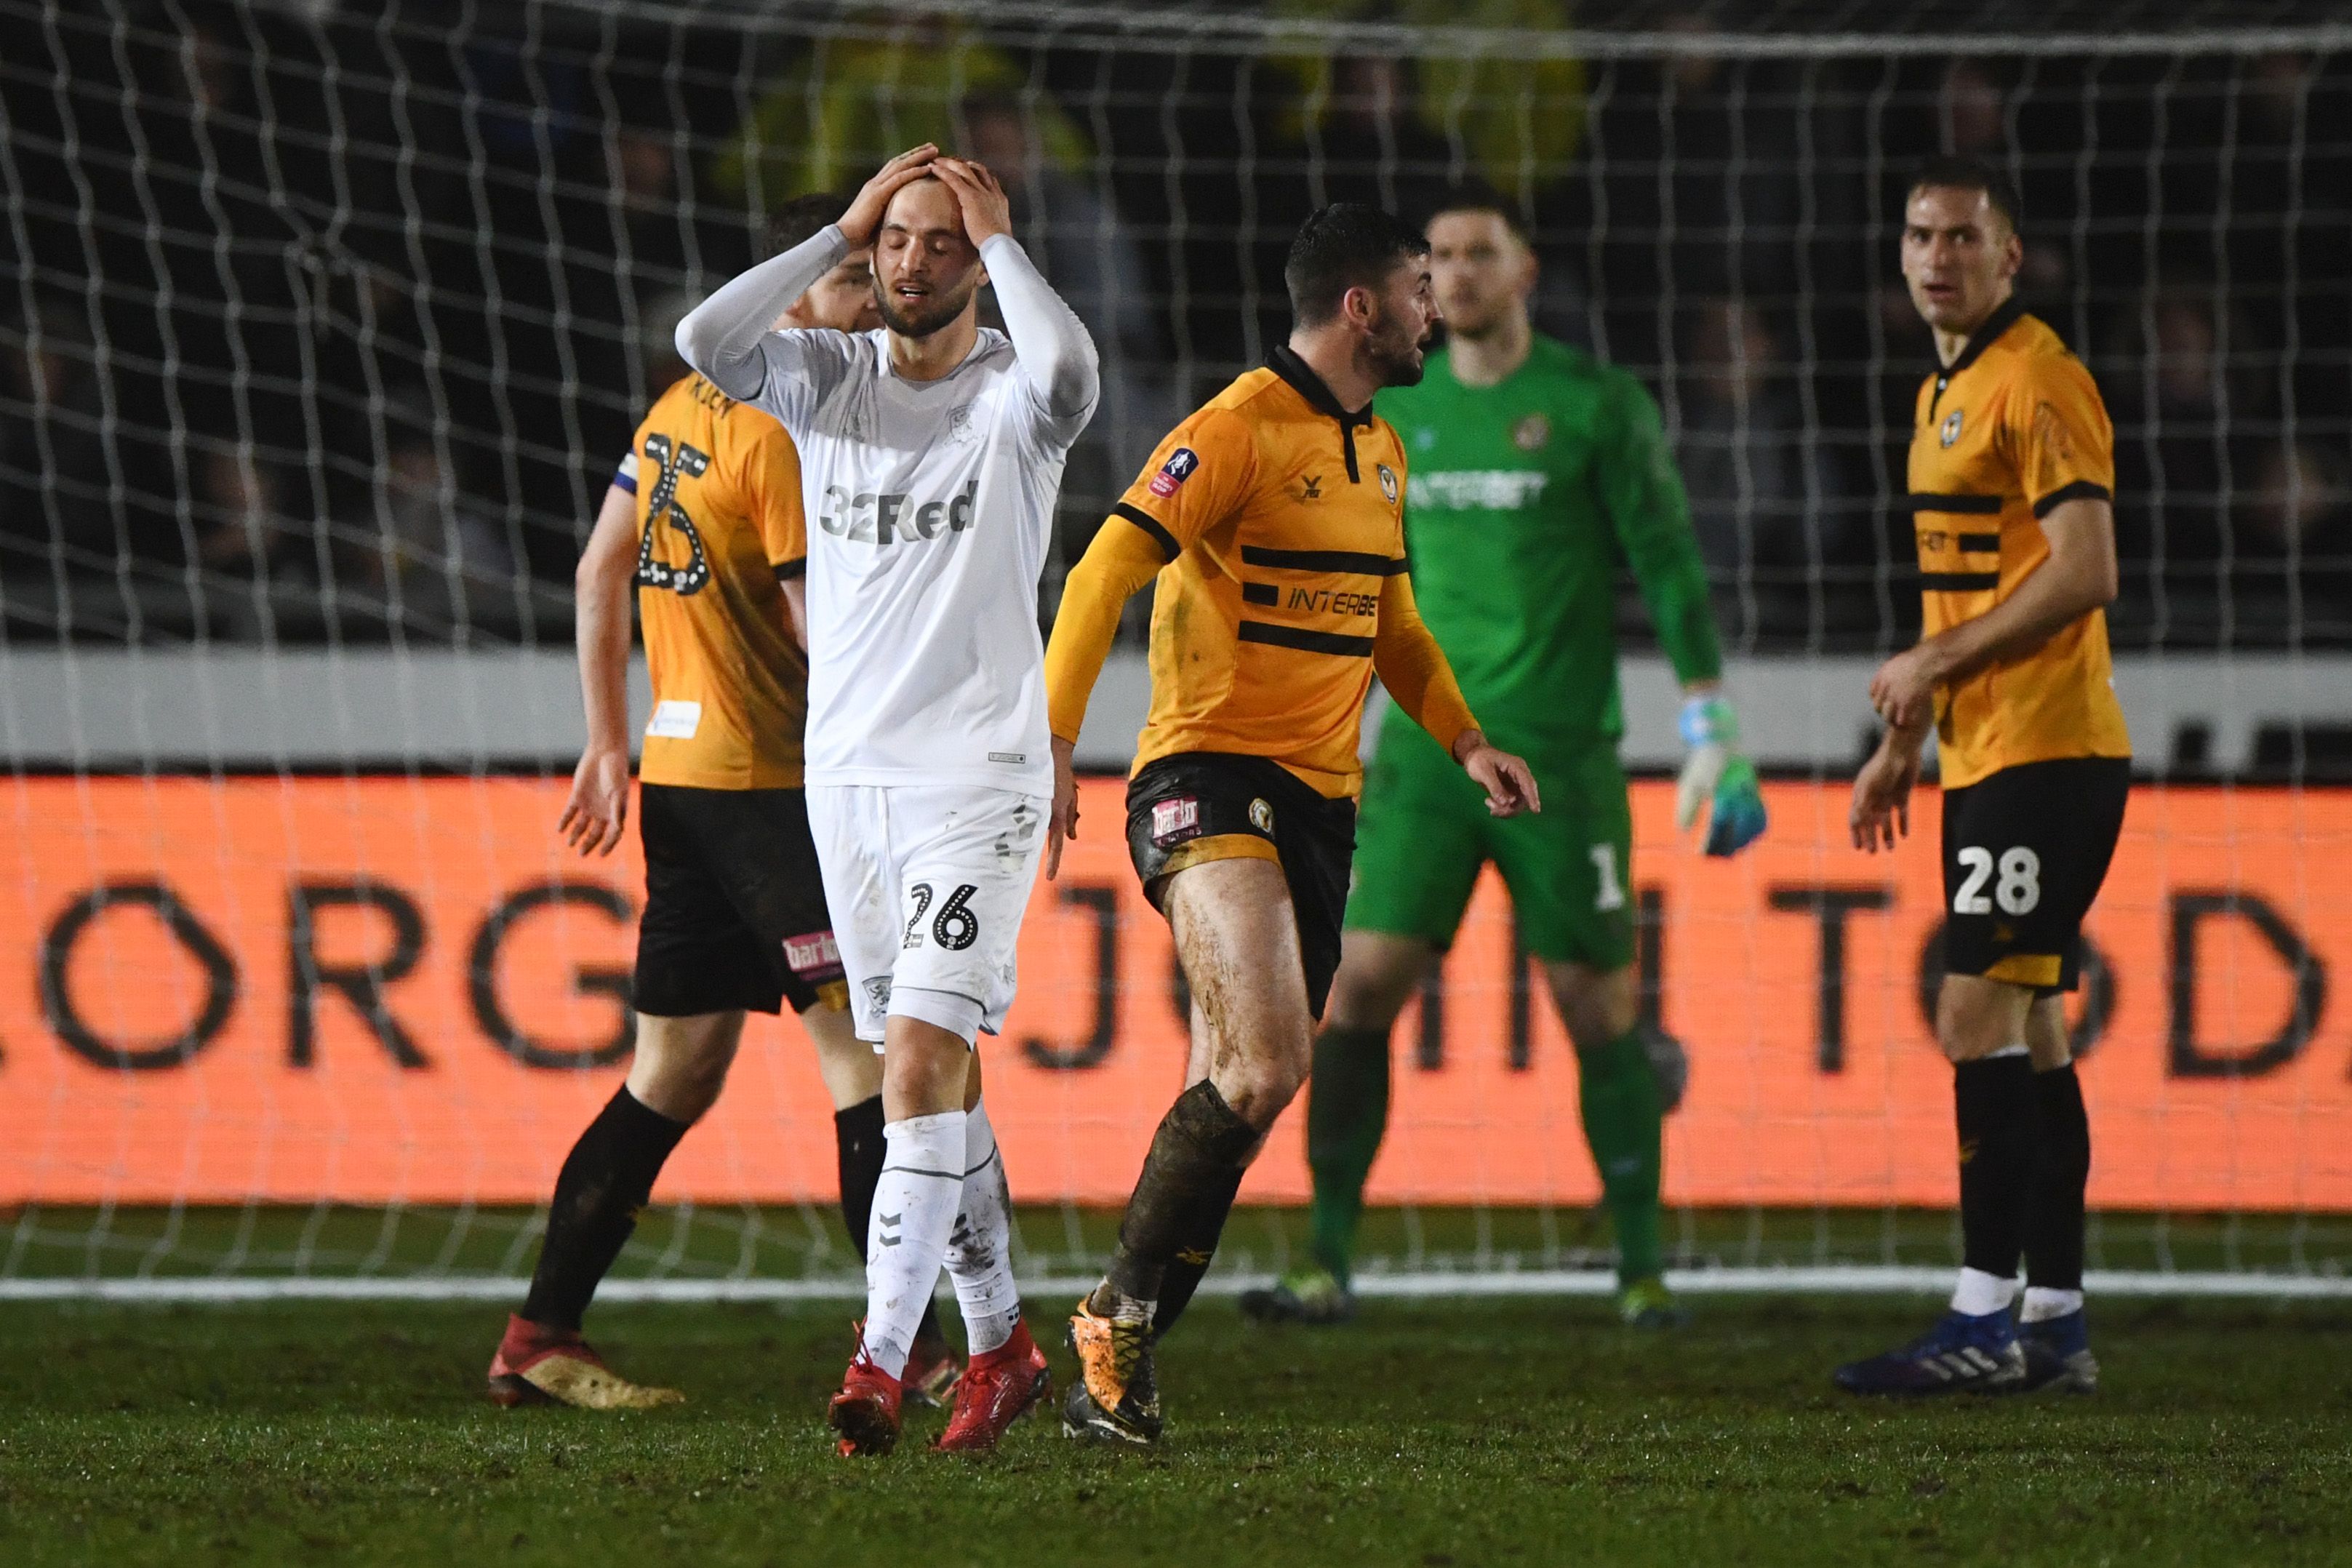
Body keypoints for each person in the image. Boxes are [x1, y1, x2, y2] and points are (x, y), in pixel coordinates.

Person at [1041, 203, 1540, 1446]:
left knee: (1246, 1087)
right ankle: (1110, 1331)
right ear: (1362, 308)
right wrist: (1051, 749)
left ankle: (1118, 1334)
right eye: (1420, 287)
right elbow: (1104, 569)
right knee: (1267, 1064)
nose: (1437, 308)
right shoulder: (1234, 429)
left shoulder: (1381, 451)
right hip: (1204, 774)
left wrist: (1467, 738)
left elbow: (1393, 625)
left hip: (1322, 803)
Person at [1240, 190, 1767, 1335]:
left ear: (1526, 272)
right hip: (1429, 764)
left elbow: (1668, 564)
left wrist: (1709, 720)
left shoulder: (1592, 406)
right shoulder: (1394, 418)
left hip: (1561, 762)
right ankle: (1327, 1260)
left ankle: (1640, 1272)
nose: (1457, 274)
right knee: (1357, 997)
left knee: (1595, 1007)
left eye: (1481, 253)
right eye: (1437, 258)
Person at [487, 193, 959, 1413]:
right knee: (866, 1058)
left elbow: (598, 566)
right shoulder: (782, 431)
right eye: (856, 282)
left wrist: (607, 739)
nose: (872, 302)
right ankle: (904, 1349)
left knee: (671, 1075)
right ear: (794, 289)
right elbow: (823, 634)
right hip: (762, 791)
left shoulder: (678, 411)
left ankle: (540, 1338)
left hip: (681, 781)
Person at [676, 146, 1099, 1455]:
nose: (912, 264)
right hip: (845, 780)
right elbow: (703, 336)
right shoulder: (824, 382)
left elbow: (1076, 372)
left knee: (914, 1062)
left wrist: (1004, 236)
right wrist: (839, 234)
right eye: (895, 245)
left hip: (973, 777)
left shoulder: (1016, 400)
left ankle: (874, 1360)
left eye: (940, 244)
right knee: (938, 1084)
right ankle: (1003, 1345)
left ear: (979, 265)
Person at [1836, 156, 2127, 1398]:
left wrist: (1933, 660)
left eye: (1962, 235)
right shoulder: (1943, 389)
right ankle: (2052, 1324)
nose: (1935, 255)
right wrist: (1908, 738)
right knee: (2039, 1034)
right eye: (1918, 234)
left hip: (2047, 748)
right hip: (1994, 747)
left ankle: (1977, 1318)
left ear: (2010, 257)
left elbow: (2086, 567)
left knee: (1973, 1020)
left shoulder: (2038, 381)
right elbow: (1959, 584)